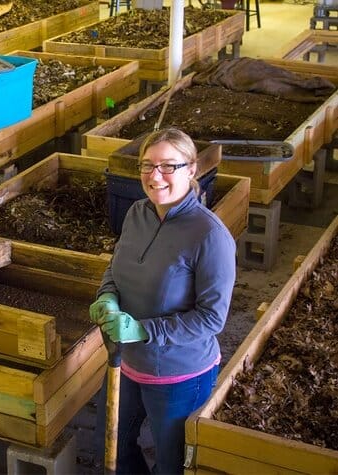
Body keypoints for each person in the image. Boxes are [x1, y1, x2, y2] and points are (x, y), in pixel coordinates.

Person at [89, 127, 236, 474]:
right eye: (147, 165)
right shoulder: (137, 212)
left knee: (171, 464)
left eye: (168, 166)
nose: (155, 176)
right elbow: (116, 268)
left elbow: (212, 319)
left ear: (191, 169)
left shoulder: (210, 235)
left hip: (179, 374)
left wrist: (143, 330)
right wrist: (107, 296)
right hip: (124, 361)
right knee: (110, 446)